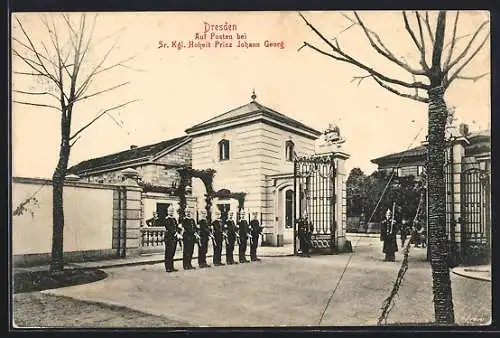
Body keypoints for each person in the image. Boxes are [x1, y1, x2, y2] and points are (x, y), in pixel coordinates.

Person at [164, 206, 179, 272]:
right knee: (168, 253)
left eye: (172, 211)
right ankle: (168, 267)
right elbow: (169, 228)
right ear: (167, 212)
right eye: (170, 211)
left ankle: (171, 267)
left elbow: (176, 227)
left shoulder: (174, 219)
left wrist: (179, 231)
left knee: (172, 253)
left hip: (174, 238)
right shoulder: (167, 219)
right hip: (169, 238)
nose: (171, 212)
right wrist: (175, 233)